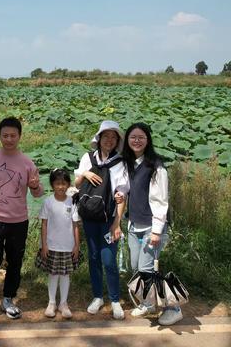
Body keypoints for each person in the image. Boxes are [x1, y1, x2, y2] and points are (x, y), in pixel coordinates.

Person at [0, 116, 43, 321]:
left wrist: (35, 185)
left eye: (13, 135)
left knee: (15, 262)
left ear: (20, 136)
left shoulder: (27, 162)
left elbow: (38, 193)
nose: (9, 139)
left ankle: (9, 299)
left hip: (18, 221)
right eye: (5, 135)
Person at [119, 122, 183, 326]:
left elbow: (161, 201)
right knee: (137, 267)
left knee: (147, 269)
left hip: (152, 227)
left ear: (148, 140)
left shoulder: (155, 165)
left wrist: (156, 232)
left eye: (141, 137)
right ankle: (147, 302)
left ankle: (173, 308)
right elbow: (127, 189)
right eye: (132, 137)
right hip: (134, 224)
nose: (136, 140)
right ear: (127, 141)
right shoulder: (130, 162)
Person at [74, 120, 126, 320]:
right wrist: (85, 173)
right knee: (94, 257)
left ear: (117, 141)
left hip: (108, 219)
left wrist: (117, 223)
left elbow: (122, 195)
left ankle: (114, 299)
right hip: (89, 217)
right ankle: (97, 297)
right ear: (99, 138)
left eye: (113, 137)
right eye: (106, 136)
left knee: (109, 259)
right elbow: (76, 185)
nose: (109, 140)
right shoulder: (87, 158)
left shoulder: (120, 162)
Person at [35, 168, 80, 319]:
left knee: (65, 275)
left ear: (68, 185)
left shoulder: (72, 202)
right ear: (52, 184)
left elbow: (75, 225)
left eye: (64, 183)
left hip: (68, 245)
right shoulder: (48, 202)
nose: (61, 186)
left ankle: (64, 303)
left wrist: (76, 245)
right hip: (52, 245)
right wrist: (44, 245)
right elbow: (44, 225)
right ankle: (52, 303)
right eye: (57, 183)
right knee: (53, 274)